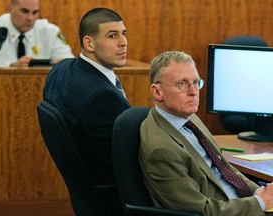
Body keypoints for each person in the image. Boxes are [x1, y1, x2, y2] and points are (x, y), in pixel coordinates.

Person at [139, 51, 273, 216]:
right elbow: (201, 211)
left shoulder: (190, 118)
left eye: (196, 82)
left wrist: (262, 193)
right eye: (182, 84)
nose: (194, 92)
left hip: (241, 205)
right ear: (157, 92)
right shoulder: (161, 149)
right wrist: (258, 203)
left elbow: (226, 170)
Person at [42, 8, 130, 215]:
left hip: (87, 199)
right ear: (89, 43)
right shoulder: (102, 98)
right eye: (112, 35)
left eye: (124, 33)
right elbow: (126, 163)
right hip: (114, 203)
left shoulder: (62, 69)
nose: (123, 42)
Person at [0, 0, 74, 68]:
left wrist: (64, 65)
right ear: (10, 9)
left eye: (35, 12)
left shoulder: (49, 32)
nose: (30, 18)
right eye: (25, 11)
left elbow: (69, 62)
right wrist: (10, 66)